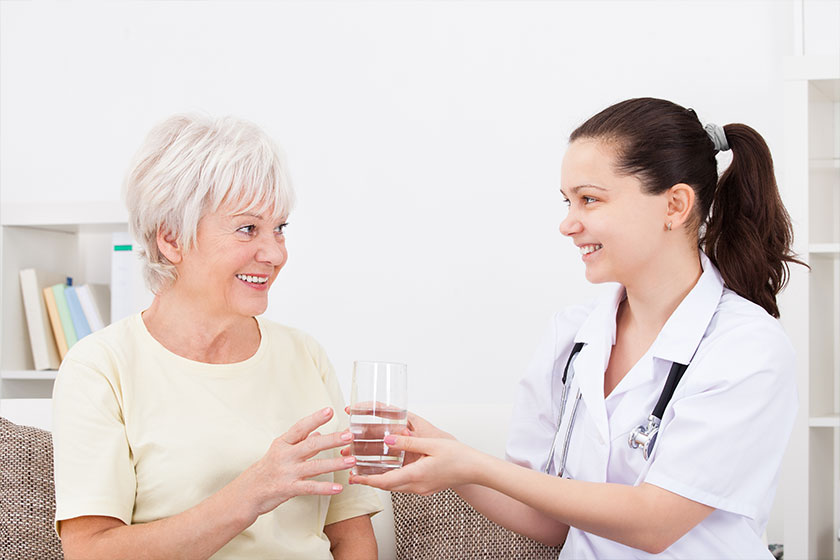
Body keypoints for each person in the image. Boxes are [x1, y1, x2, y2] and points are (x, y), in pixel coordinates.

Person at [350, 97, 802, 559]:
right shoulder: (571, 336)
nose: (568, 223)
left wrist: (475, 465)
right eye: (568, 201)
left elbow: (655, 522)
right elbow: (549, 519)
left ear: (675, 204)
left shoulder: (746, 347)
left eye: (589, 199)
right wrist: (448, 458)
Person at [52, 114, 381, 560]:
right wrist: (249, 495)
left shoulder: (304, 355)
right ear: (171, 238)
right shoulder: (100, 368)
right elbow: (91, 551)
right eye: (248, 228)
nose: (275, 253)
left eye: (279, 228)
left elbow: (349, 532)